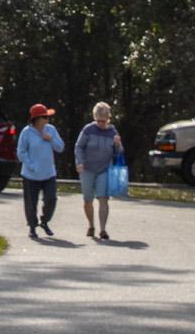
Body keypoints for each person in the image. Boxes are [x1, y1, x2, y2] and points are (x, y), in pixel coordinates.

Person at [75, 101, 125, 240]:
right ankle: (91, 225)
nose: (101, 123)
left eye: (104, 120)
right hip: (87, 169)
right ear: (95, 117)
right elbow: (79, 146)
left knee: (103, 199)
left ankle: (103, 229)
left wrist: (118, 144)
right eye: (99, 120)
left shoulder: (112, 131)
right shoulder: (88, 129)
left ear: (109, 118)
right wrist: (79, 162)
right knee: (88, 199)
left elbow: (119, 152)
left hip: (104, 169)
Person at [16, 104, 64, 238]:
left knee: (51, 199)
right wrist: (31, 165)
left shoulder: (51, 130)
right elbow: (21, 152)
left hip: (49, 173)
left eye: (48, 117)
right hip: (31, 174)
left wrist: (51, 139)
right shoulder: (26, 132)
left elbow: (60, 148)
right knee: (31, 202)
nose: (48, 120)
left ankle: (45, 221)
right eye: (45, 117)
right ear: (36, 119)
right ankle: (32, 226)